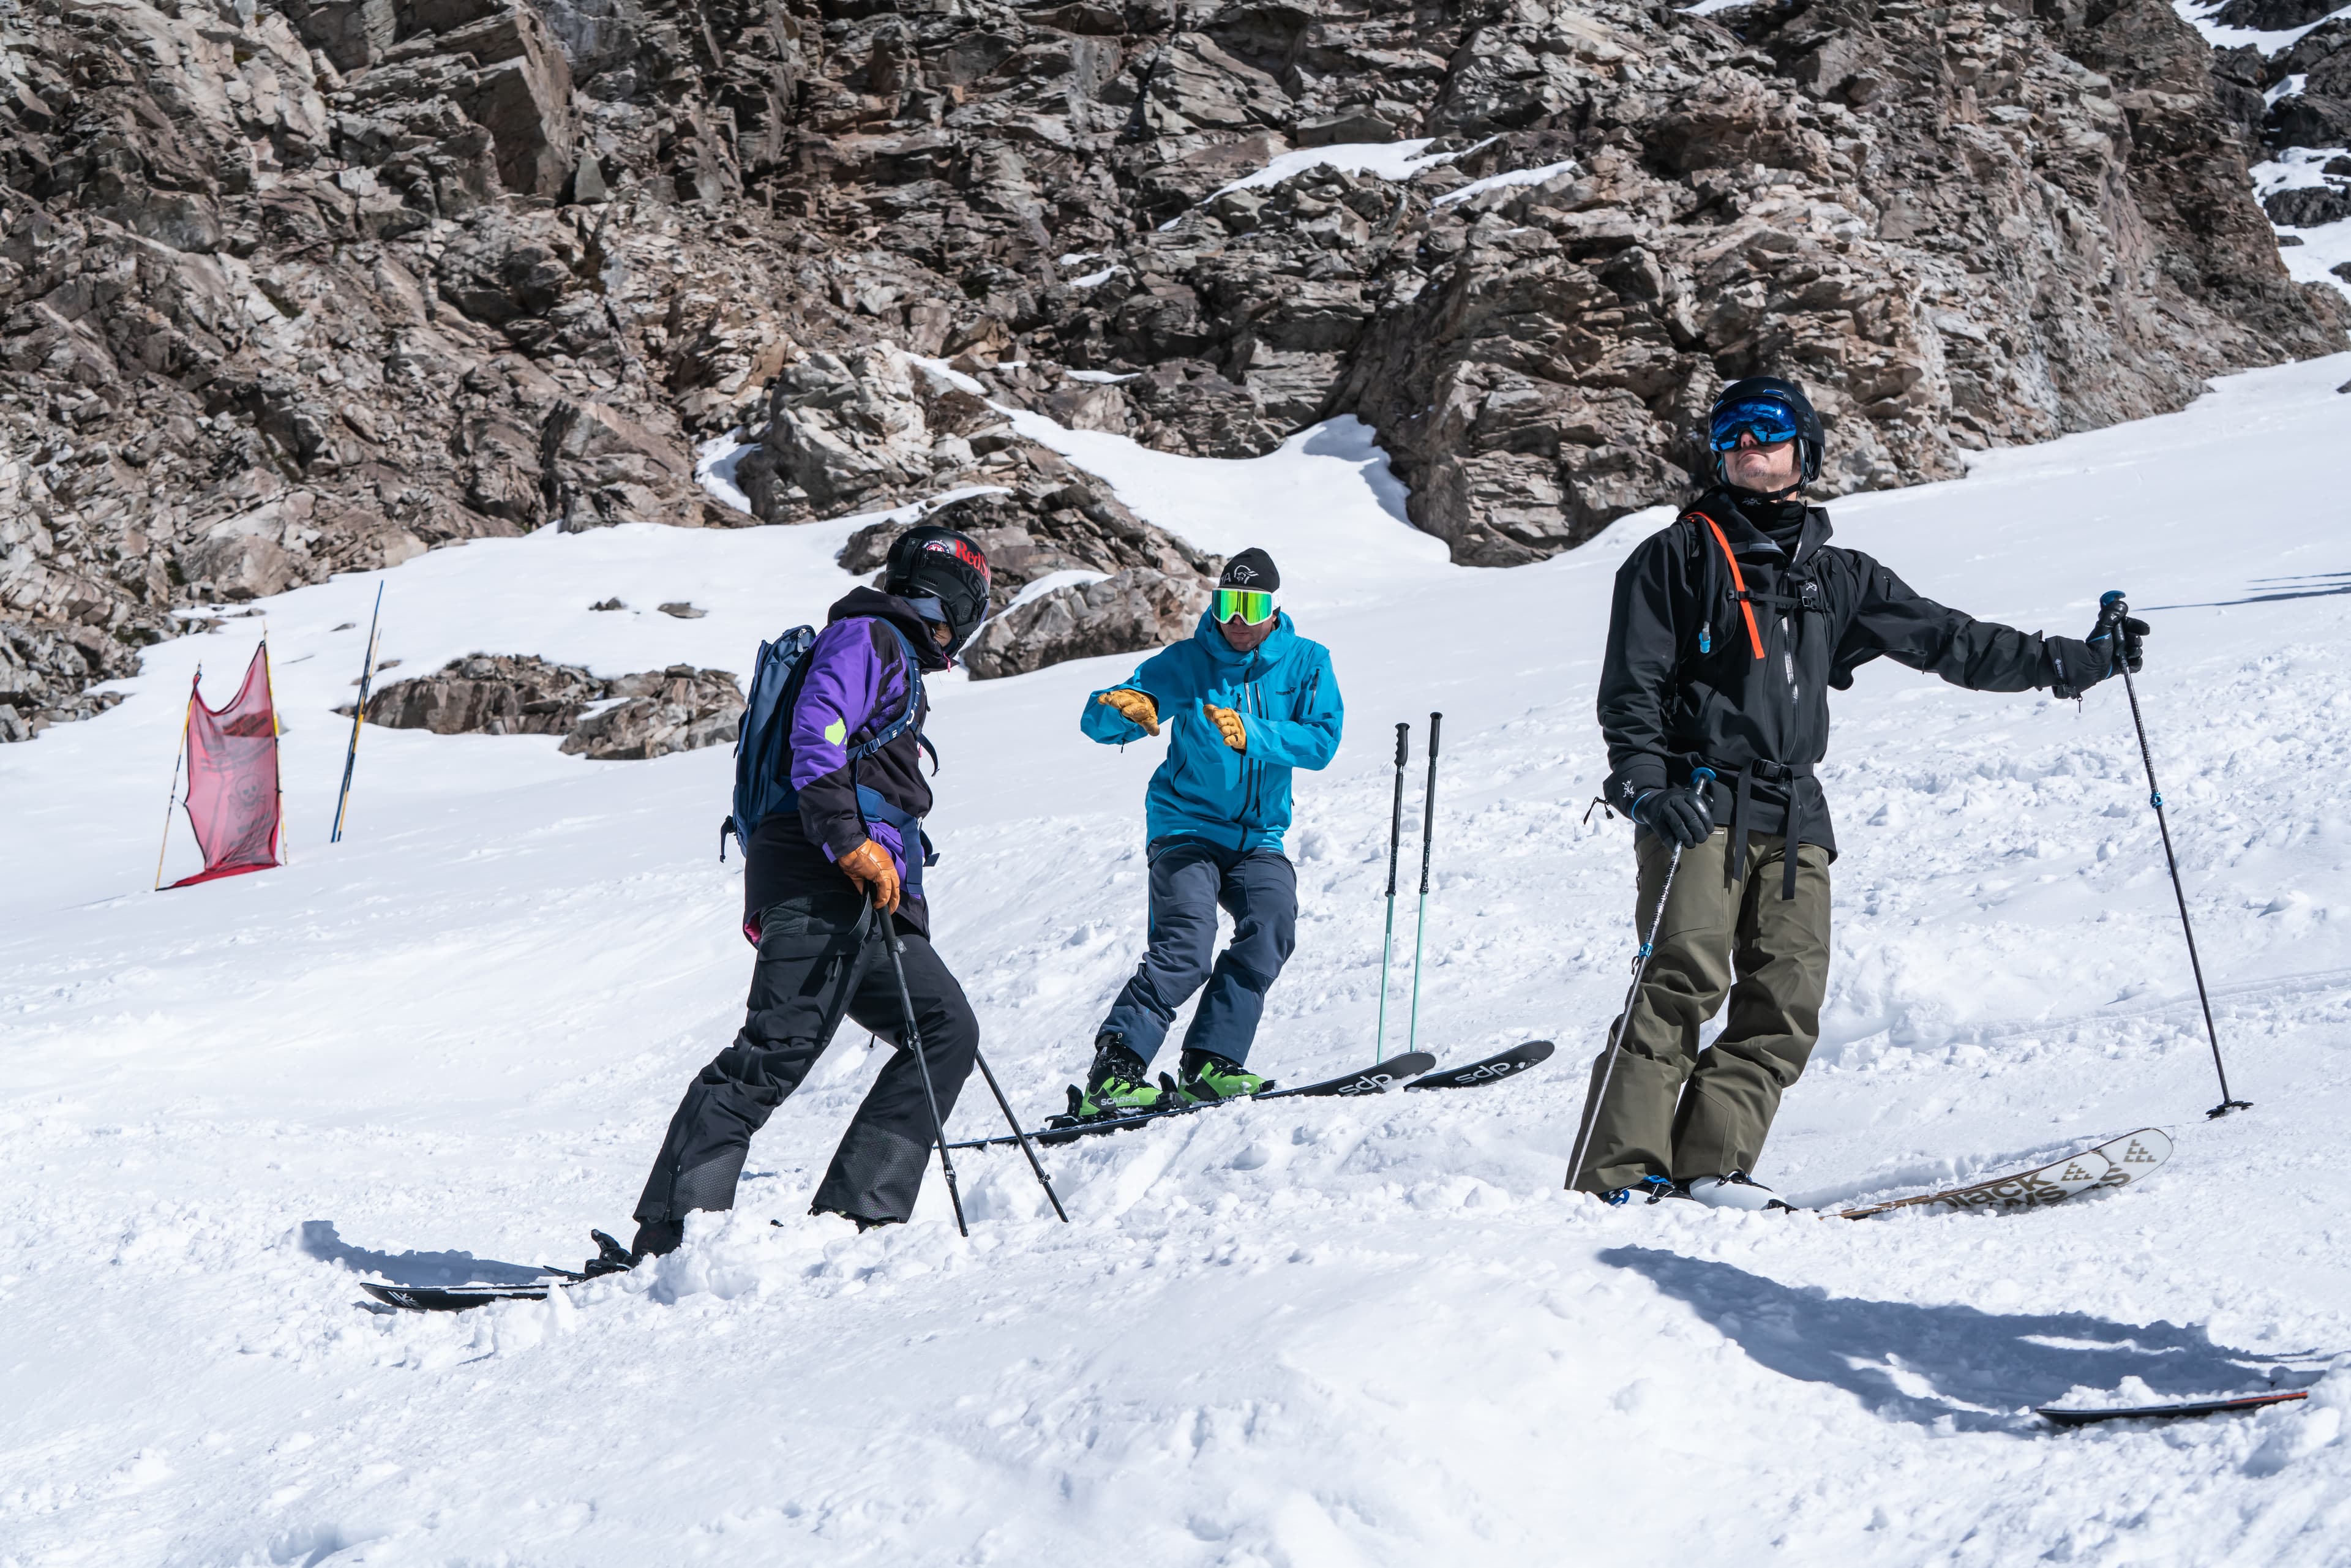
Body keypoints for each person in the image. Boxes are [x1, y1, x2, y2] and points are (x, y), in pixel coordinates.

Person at [1575, 377, 2150, 1209]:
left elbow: (1951, 641)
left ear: (1805, 448)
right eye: (1730, 435)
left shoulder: (1837, 575)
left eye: (1765, 430)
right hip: (1697, 803)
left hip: (1795, 814)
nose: (1746, 447)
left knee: (1786, 1003)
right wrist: (1644, 787)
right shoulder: (1677, 556)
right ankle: (1619, 1177)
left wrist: (2072, 662)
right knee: (1679, 981)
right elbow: (1631, 689)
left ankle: (1710, 1168)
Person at [599, 523, 996, 1269]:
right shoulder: (869, 637)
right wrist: (848, 841)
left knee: (946, 1028)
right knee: (772, 1054)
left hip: (869, 899)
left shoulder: (892, 652)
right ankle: (670, 1237)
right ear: (958, 601)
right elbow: (817, 732)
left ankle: (858, 1214)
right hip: (824, 876)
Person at [1073, 549, 1344, 1116]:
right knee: (1187, 947)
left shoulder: (1307, 662)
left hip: (1258, 837)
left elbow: (1321, 742)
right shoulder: (1189, 661)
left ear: (1275, 609)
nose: (1237, 620)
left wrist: (1253, 733)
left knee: (1272, 923)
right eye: (1226, 604)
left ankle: (1210, 1062)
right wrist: (1121, 710)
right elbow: (1099, 720)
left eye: (1252, 606)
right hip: (1186, 827)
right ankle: (1114, 1072)